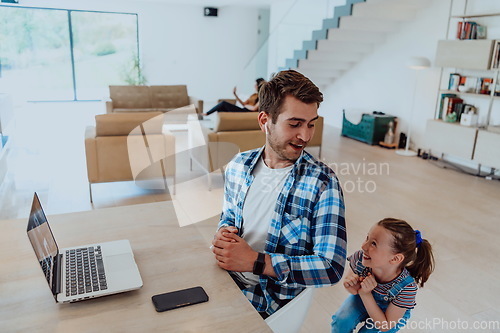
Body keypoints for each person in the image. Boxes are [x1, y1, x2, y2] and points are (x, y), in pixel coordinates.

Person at [211, 70, 347, 318]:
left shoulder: (323, 183)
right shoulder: (238, 166)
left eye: (311, 124)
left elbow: (332, 267)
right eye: (294, 124)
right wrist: (224, 231)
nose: (305, 136)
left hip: (269, 305)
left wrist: (256, 262)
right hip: (225, 280)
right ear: (264, 121)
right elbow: (229, 216)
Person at [331, 218, 435, 333]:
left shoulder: (406, 288)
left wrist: (366, 294)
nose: (364, 246)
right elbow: (353, 288)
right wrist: (351, 286)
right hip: (363, 299)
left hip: (388, 317)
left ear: (395, 258)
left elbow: (385, 326)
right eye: (367, 238)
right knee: (341, 322)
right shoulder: (360, 259)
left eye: (373, 244)